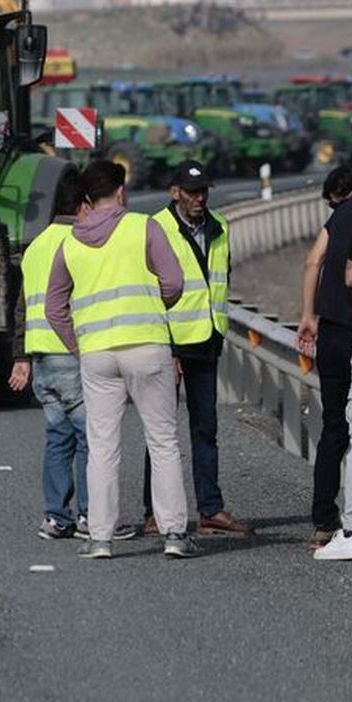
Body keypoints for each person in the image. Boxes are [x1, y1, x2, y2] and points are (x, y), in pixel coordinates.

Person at [44, 159, 196, 559]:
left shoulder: (70, 243)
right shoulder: (143, 227)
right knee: (162, 440)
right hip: (146, 346)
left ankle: (100, 538)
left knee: (102, 444)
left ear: (88, 200)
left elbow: (54, 308)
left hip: (97, 355)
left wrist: (79, 345)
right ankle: (175, 534)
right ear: (122, 192)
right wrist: (157, 303)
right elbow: (175, 281)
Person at [138, 160, 252, 537]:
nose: (199, 198)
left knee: (206, 429)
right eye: (191, 192)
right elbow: (150, 291)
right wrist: (167, 348)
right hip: (169, 342)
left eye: (203, 191)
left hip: (206, 338)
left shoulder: (220, 227)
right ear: (175, 193)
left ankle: (210, 509)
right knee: (160, 432)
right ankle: (154, 513)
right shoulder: (156, 228)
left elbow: (221, 280)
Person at [13, 168, 121, 541]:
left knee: (58, 437)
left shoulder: (36, 245)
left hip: (41, 355)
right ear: (83, 206)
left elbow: (22, 306)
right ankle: (92, 516)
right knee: (90, 437)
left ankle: (57, 517)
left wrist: (21, 356)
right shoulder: (79, 242)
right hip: (71, 352)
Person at [297, 164, 352, 550]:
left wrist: (308, 315)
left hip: (331, 333)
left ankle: (324, 520)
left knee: (333, 427)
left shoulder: (336, 218)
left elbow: (311, 262)